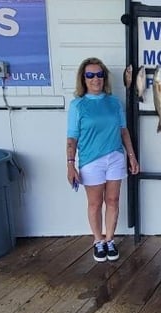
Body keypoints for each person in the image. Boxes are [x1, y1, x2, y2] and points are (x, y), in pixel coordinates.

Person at [66, 57, 139, 262]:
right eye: (90, 75)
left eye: (99, 74)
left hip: (115, 157)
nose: (95, 79)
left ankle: (109, 240)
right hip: (90, 161)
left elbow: (123, 131)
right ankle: (98, 241)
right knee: (95, 204)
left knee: (113, 201)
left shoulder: (114, 102)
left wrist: (131, 156)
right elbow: (71, 138)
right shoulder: (77, 105)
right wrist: (70, 164)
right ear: (83, 78)